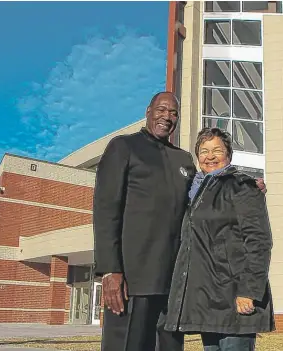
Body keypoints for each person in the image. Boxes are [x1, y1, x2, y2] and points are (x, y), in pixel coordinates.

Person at [93, 92, 266, 351]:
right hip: (132, 279)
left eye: (173, 113)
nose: (167, 117)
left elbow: (209, 193)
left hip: (174, 284)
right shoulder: (123, 147)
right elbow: (106, 209)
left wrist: (246, 184)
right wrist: (110, 269)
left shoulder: (184, 160)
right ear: (148, 111)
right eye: (161, 110)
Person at [164, 128, 275, 351]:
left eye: (217, 150)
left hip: (234, 297)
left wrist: (249, 291)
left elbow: (259, 241)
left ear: (229, 155)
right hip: (208, 300)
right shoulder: (195, 192)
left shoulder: (241, 187)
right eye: (204, 151)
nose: (210, 156)